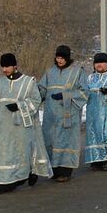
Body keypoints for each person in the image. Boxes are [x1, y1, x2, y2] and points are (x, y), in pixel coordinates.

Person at [0, 52, 53, 192]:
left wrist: (18, 106)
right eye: (2, 67)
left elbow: (36, 101)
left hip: (21, 127)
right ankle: (0, 182)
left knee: (20, 152)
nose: (4, 69)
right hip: (2, 127)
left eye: (7, 66)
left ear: (15, 66)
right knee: (2, 153)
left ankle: (25, 174)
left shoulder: (29, 82)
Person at [37, 45, 87, 183]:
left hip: (68, 115)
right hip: (51, 115)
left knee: (66, 142)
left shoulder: (78, 72)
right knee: (51, 141)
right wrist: (33, 96)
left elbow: (84, 92)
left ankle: (65, 171)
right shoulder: (49, 72)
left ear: (67, 58)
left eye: (62, 58)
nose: (59, 60)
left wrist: (65, 95)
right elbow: (41, 89)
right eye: (57, 58)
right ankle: (53, 170)